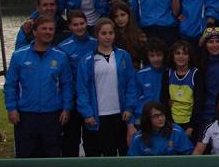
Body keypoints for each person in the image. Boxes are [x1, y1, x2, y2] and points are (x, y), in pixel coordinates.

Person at [4, 16, 73, 158]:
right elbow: (10, 85)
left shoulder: (61, 57)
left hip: (52, 115)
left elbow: (67, 85)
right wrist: (11, 108)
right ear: (35, 32)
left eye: (51, 29)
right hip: (25, 115)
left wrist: (66, 108)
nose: (48, 32)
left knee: (52, 156)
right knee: (26, 156)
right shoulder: (19, 56)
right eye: (44, 29)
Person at [76, 18, 137, 156]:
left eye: (111, 33)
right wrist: (87, 113)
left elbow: (131, 85)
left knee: (125, 152)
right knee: (107, 153)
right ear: (97, 35)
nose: (108, 36)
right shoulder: (87, 60)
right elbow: (82, 90)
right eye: (104, 33)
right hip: (100, 115)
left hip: (121, 114)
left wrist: (129, 107)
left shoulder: (123, 56)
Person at [57, 10, 98, 157]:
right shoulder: (63, 48)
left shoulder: (96, 44)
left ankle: (93, 166)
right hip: (73, 99)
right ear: (70, 26)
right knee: (71, 139)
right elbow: (63, 79)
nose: (79, 27)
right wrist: (66, 105)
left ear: (87, 23)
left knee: (92, 139)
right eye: (75, 24)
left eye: (82, 23)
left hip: (92, 99)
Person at [160, 40, 204, 140]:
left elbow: (199, 102)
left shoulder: (196, 74)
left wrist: (191, 126)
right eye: (177, 53)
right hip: (172, 123)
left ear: (189, 57)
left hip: (190, 123)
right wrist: (170, 123)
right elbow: (163, 100)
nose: (181, 56)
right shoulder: (167, 73)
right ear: (173, 56)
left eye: (185, 53)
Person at [127, 101, 194, 156]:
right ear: (147, 118)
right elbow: (132, 162)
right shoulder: (138, 138)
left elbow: (189, 154)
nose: (160, 118)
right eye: (155, 116)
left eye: (162, 114)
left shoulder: (176, 131)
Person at [131, 38, 166, 133]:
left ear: (164, 55)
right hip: (142, 120)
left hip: (163, 120)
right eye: (152, 55)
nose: (156, 59)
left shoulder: (169, 73)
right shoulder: (140, 74)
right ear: (147, 56)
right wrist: (131, 123)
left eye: (159, 55)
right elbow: (133, 99)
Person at [110, 1, 147, 69]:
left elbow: (144, 58)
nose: (120, 19)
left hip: (134, 70)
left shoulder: (140, 35)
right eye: (116, 16)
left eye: (123, 15)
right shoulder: (110, 35)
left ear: (129, 15)